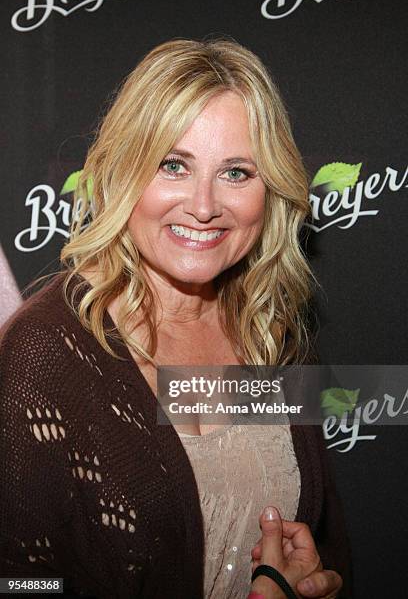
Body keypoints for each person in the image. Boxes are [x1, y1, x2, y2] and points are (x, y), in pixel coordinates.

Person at [0, 38, 351, 598]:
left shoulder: (272, 335)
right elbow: (19, 582)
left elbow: (321, 543)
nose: (205, 205)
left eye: (237, 172)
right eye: (173, 165)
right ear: (123, 172)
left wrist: (315, 582)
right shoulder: (44, 352)